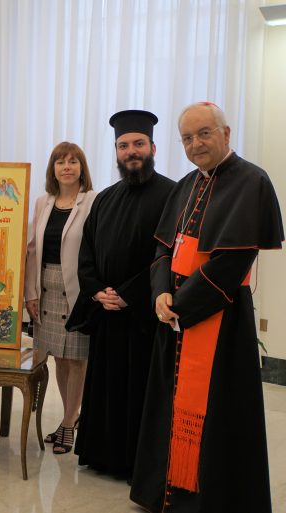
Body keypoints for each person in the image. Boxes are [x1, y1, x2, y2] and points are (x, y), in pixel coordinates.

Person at [130, 103, 283, 513]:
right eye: (187, 138)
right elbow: (163, 247)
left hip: (218, 316)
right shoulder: (185, 185)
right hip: (175, 315)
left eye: (203, 133)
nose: (195, 144)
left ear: (226, 133)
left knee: (217, 413)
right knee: (169, 404)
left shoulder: (252, 182)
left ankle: (206, 501)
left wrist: (182, 305)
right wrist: (160, 294)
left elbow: (233, 261)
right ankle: (161, 493)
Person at [66, 110, 175, 478]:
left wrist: (129, 294)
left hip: (146, 316)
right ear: (115, 151)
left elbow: (172, 256)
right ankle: (101, 455)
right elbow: (87, 254)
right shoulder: (104, 199)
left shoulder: (174, 194)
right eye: (124, 145)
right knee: (107, 387)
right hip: (108, 315)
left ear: (153, 147)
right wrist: (98, 293)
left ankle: (135, 463)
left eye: (138, 144)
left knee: (141, 391)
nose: (132, 151)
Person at [24, 142, 96, 454]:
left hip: (78, 291)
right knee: (57, 357)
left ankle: (68, 424)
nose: (66, 167)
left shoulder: (93, 201)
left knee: (76, 359)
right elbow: (31, 250)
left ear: (82, 168)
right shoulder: (43, 202)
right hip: (46, 288)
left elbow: (97, 247)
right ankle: (72, 417)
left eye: (73, 162)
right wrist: (30, 292)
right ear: (52, 169)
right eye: (60, 162)